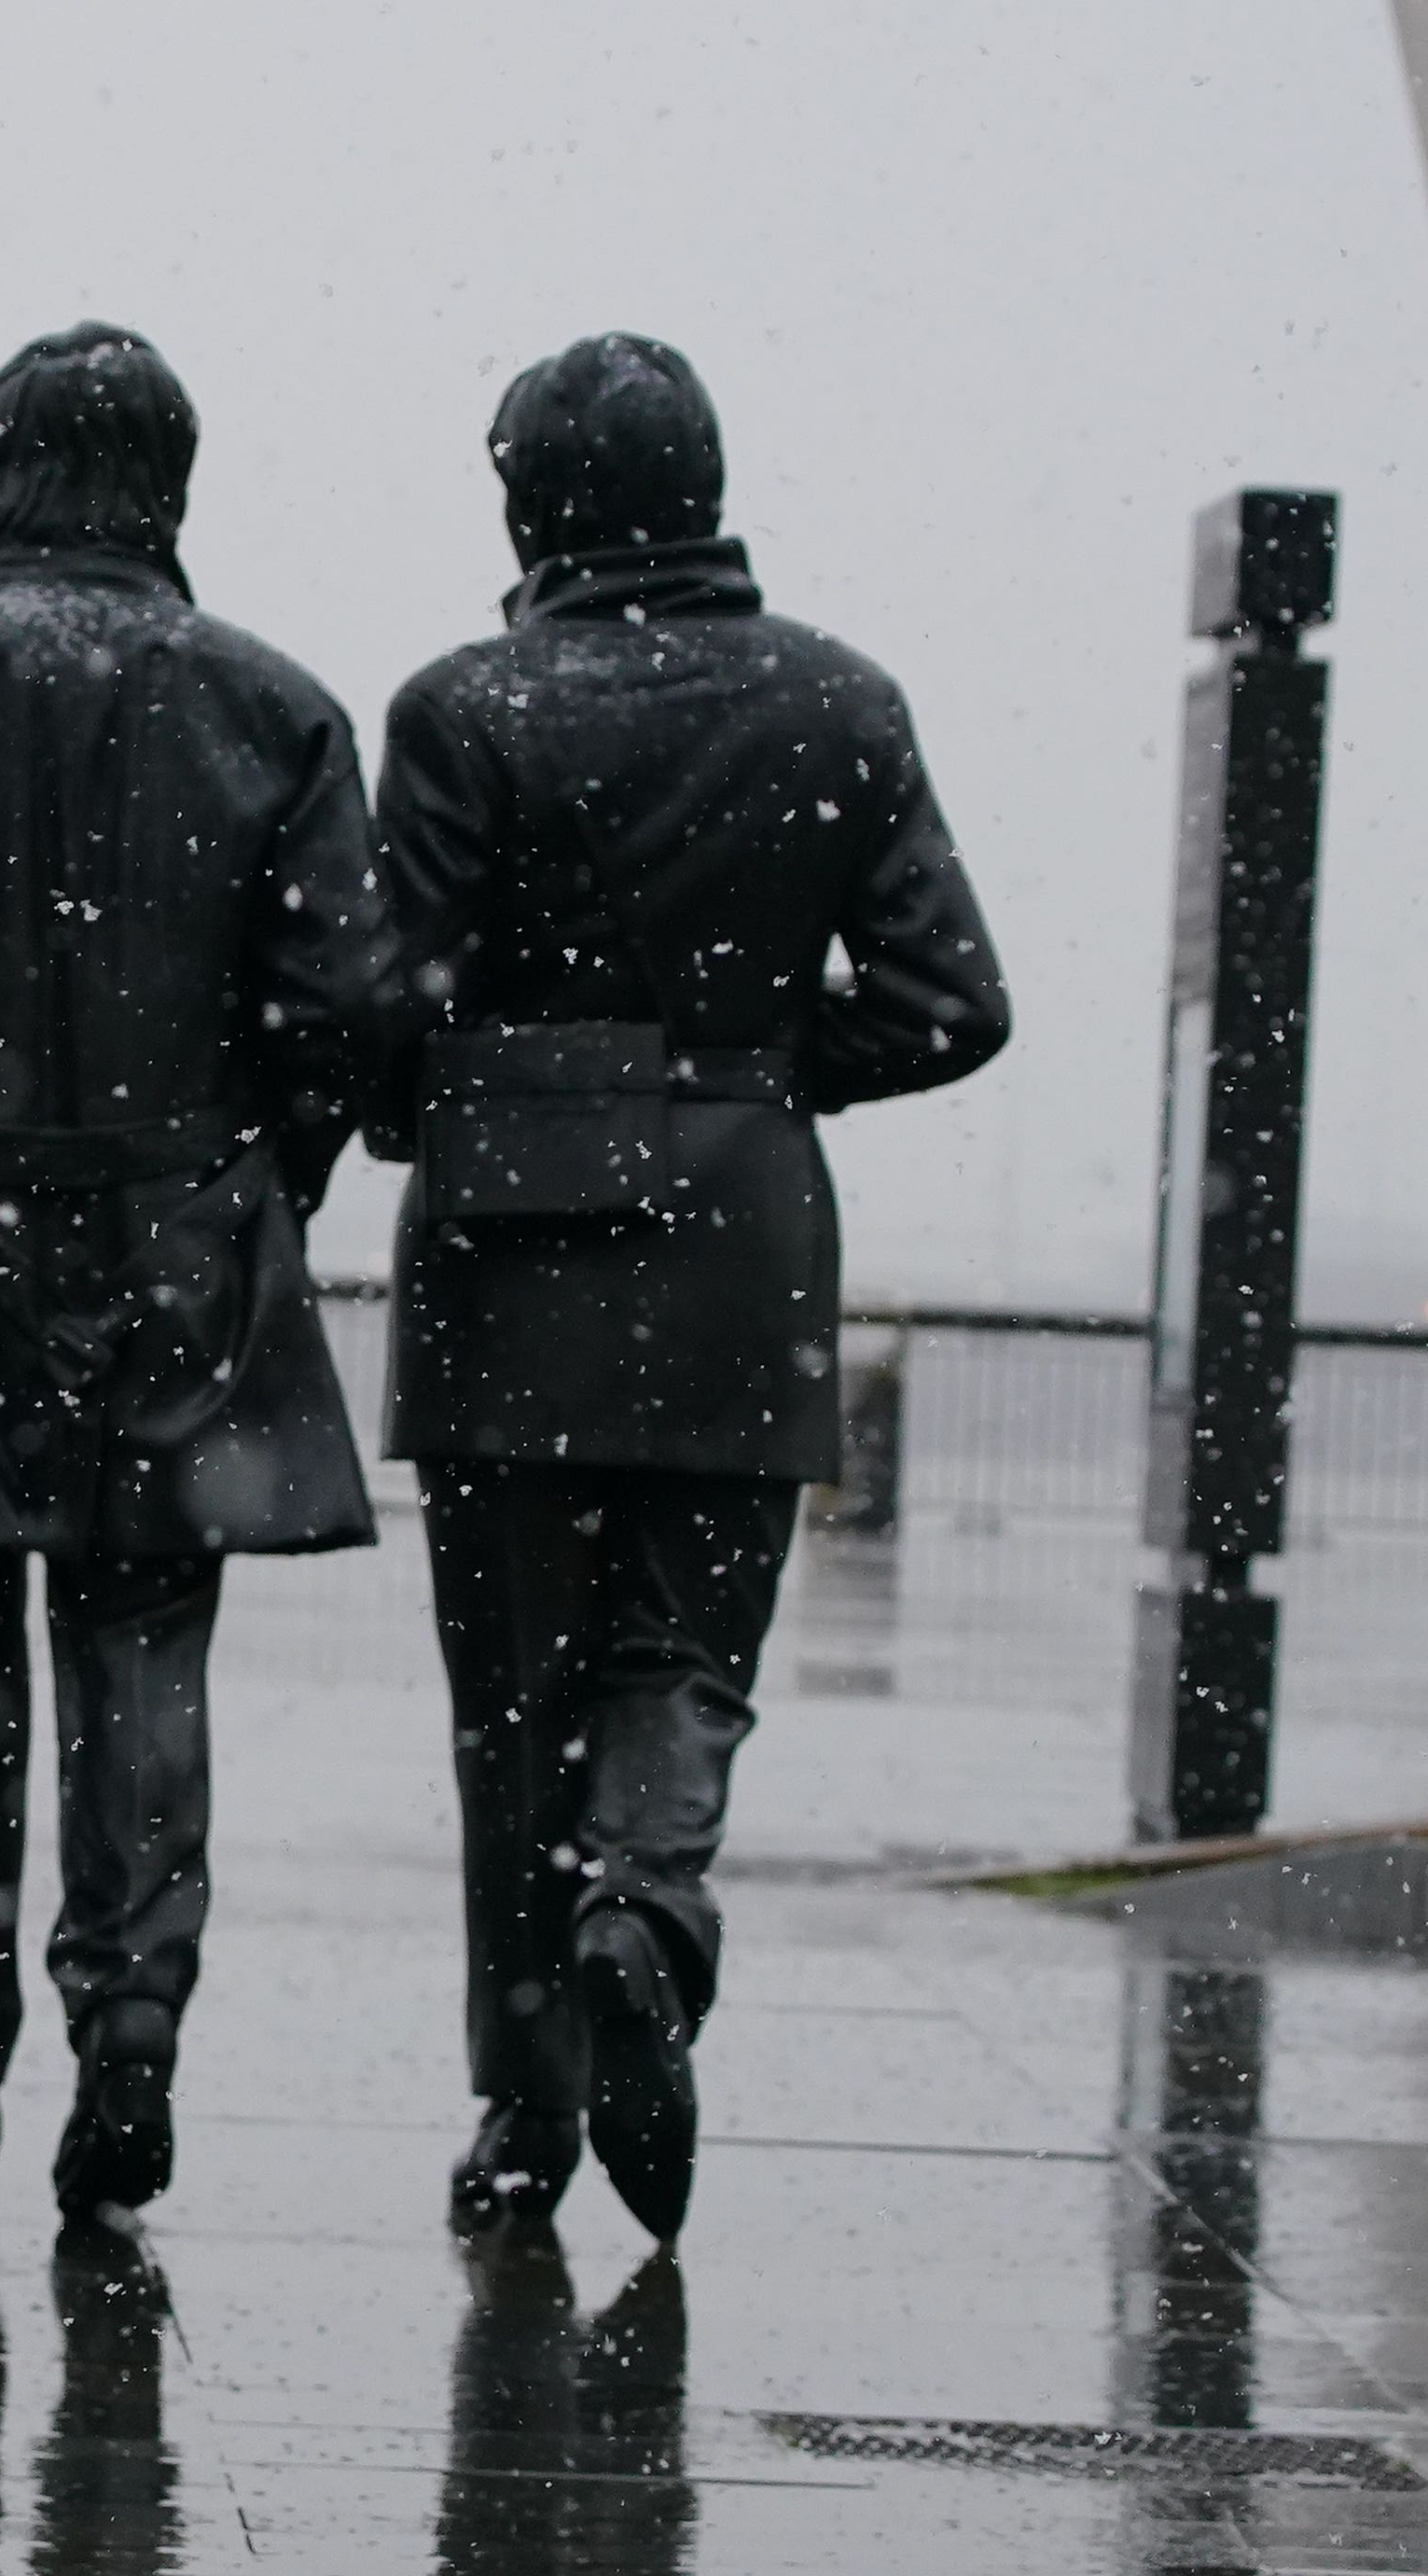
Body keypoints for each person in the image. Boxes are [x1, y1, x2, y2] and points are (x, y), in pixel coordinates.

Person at [0, 324, 400, 2228]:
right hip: (178, 1235)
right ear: (172, 489)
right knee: (142, 1654)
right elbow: (347, 1012)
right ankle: (130, 2012)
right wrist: (243, 1175)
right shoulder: (271, 710)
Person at [371, 334, 1007, 2242]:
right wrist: (746, 1060)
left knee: (509, 1707)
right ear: (705, 490)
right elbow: (952, 1000)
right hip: (742, 1238)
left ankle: (520, 2112)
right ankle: (645, 1901)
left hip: (510, 1246)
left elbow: (384, 999)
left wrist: (469, 1089)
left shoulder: (464, 705)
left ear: (523, 505)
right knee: (685, 1658)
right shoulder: (838, 700)